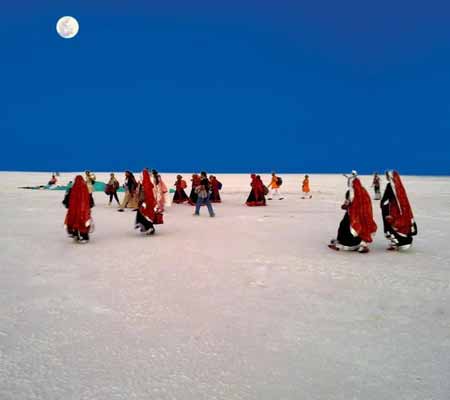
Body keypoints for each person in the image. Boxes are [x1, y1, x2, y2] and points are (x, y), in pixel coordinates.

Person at [329, 172, 377, 253]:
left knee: (348, 227)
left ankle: (350, 244)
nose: (348, 183)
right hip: (355, 213)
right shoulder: (362, 190)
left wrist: (347, 206)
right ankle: (345, 241)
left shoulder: (353, 192)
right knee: (345, 225)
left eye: (349, 182)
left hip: (354, 214)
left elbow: (351, 202)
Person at [381, 171, 418, 251]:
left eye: (387, 176)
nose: (386, 177)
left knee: (394, 226)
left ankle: (399, 243)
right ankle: (395, 243)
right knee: (392, 226)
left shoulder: (394, 186)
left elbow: (392, 198)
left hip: (394, 211)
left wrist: (384, 203)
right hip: (393, 210)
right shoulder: (396, 186)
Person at [62, 175, 94, 243]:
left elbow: (67, 198)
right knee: (83, 221)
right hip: (83, 210)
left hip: (74, 210)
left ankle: (75, 234)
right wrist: (89, 206)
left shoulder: (72, 188)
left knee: (74, 221)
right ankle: (84, 236)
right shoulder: (85, 189)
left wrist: (67, 205)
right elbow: (90, 198)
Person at [134, 169, 160, 235]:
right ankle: (145, 227)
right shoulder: (145, 182)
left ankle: (150, 228)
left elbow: (149, 193)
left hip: (147, 202)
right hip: (145, 202)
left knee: (145, 215)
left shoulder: (148, 183)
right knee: (142, 214)